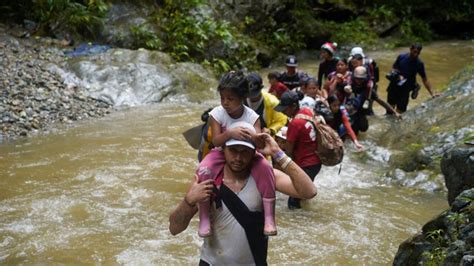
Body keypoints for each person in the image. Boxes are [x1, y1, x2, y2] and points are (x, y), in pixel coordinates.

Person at [169, 131, 317, 265]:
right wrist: (188, 201)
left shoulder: (266, 177)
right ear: (223, 150)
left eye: (245, 152)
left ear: (254, 152)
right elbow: (175, 228)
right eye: (233, 150)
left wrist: (277, 153)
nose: (238, 158)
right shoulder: (206, 180)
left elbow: (309, 191)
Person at [195, 71, 277, 237]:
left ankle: (269, 217)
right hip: (221, 151)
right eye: (222, 98)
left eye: (230, 99)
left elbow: (259, 144)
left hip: (248, 151)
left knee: (267, 169)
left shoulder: (252, 116)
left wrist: (255, 136)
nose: (225, 102)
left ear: (242, 97)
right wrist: (230, 133)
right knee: (203, 169)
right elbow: (216, 141)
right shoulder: (217, 114)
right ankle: (204, 217)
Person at [274, 90, 322, 209]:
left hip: (306, 164)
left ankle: (305, 222)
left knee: (293, 200)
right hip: (316, 162)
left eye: (285, 109)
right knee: (303, 192)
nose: (284, 112)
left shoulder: (295, 123)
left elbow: (289, 151)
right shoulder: (306, 112)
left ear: (294, 106)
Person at [387, 43, 438, 113]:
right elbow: (394, 68)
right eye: (414, 52)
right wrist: (398, 75)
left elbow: (424, 79)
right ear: (410, 49)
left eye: (418, 53)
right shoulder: (401, 57)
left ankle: (415, 87)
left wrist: (432, 93)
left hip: (406, 88)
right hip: (394, 85)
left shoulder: (419, 64)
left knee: (401, 111)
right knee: (389, 110)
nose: (416, 54)